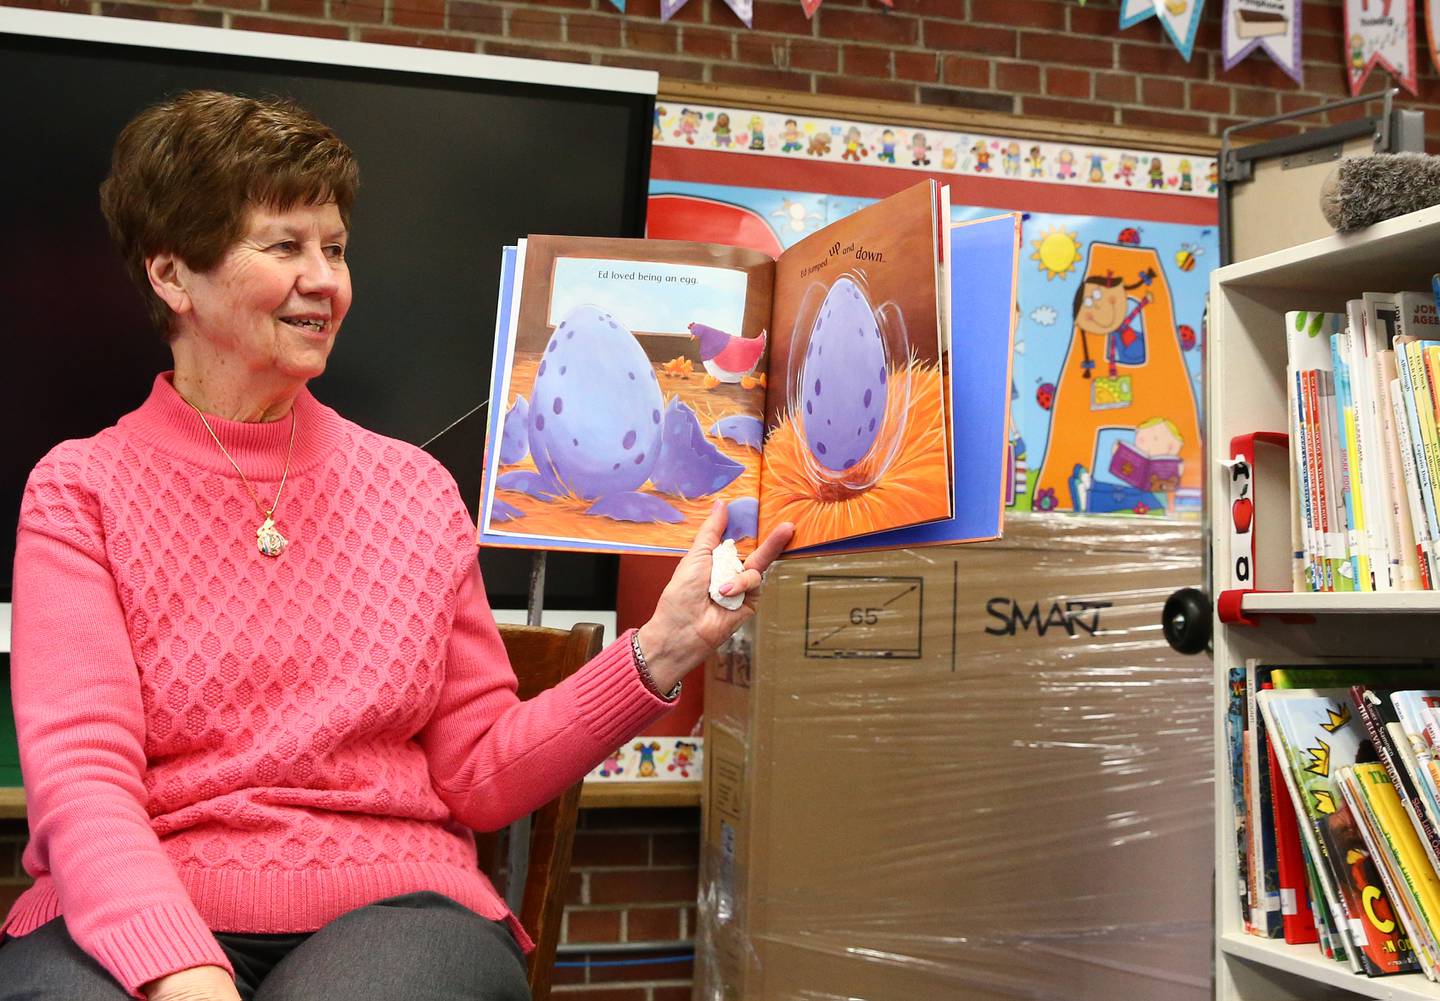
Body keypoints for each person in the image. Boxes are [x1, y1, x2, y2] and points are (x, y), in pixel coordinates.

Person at [0, 91, 793, 1001]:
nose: (326, 280)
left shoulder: (412, 490)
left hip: (392, 907)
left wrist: (663, 648)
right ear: (174, 275)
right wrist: (181, 972)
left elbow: (478, 775)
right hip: (136, 896)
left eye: (334, 249)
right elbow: (83, 782)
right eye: (285, 246)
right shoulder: (79, 490)